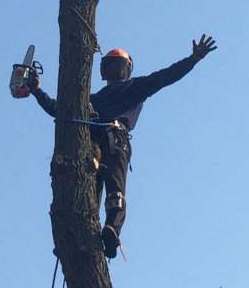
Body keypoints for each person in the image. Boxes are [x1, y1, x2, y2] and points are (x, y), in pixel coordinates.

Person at [21, 34, 217, 259]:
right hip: (97, 147)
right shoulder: (94, 99)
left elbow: (166, 76)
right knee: (94, 193)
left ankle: (108, 230)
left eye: (117, 64)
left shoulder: (134, 87)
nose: (115, 68)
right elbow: (61, 111)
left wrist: (192, 59)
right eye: (112, 64)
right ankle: (90, 232)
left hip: (110, 142)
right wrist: (37, 91)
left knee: (108, 189)